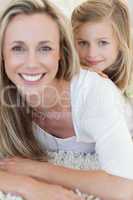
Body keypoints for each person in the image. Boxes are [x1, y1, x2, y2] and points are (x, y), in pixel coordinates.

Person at [0, 0, 133, 200]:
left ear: (61, 51)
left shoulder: (94, 91)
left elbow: (125, 187)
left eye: (44, 48)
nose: (31, 63)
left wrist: (40, 171)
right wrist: (28, 186)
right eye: (17, 48)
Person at [71, 0, 133, 135]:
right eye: (83, 43)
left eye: (103, 43)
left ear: (120, 42)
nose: (91, 54)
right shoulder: (73, 78)